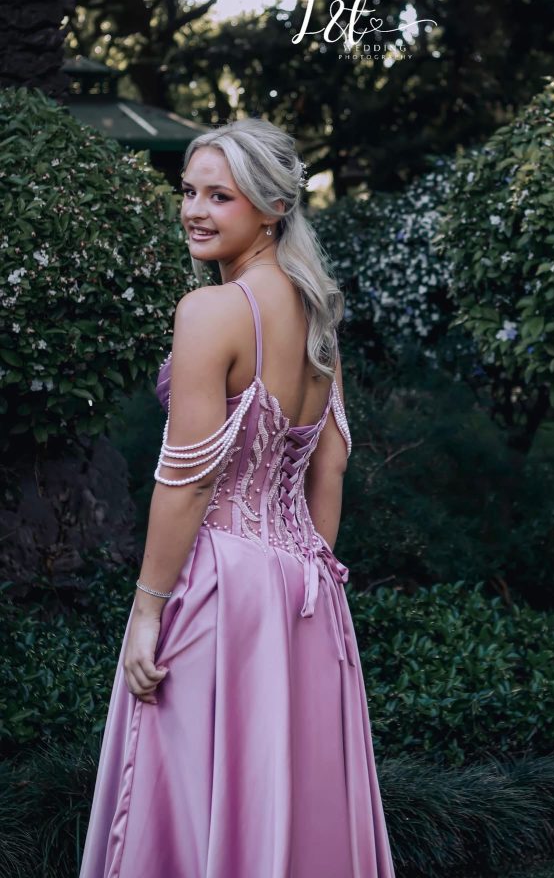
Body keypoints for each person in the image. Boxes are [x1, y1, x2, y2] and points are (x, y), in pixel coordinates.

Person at [79, 118, 396, 878]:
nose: (195, 210)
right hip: (306, 592)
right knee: (286, 792)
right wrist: (305, 580)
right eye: (189, 191)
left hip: (217, 584)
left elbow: (187, 478)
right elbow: (330, 467)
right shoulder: (317, 315)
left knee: (186, 786)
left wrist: (148, 611)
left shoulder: (211, 312)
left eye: (219, 196)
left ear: (272, 207)